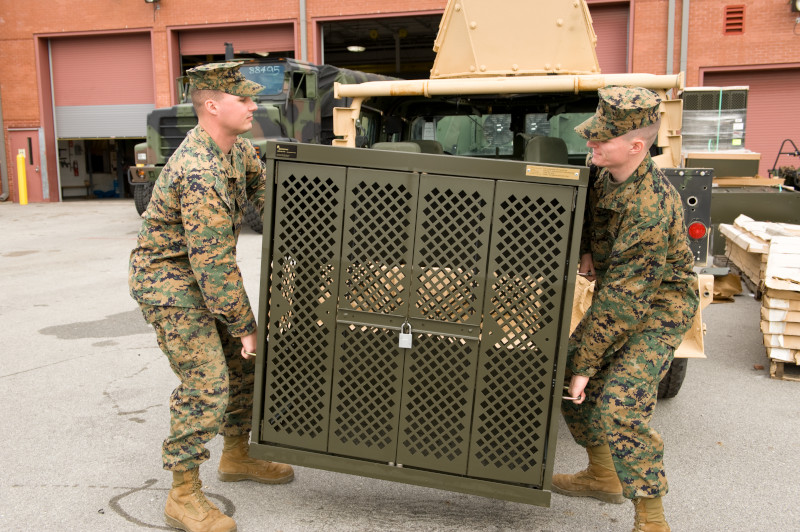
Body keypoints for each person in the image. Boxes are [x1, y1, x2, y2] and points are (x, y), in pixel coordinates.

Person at [128, 62, 294, 532]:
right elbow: (213, 265)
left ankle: (237, 456)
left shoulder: (237, 150)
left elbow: (270, 197)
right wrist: (245, 325)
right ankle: (182, 495)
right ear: (213, 106)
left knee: (245, 368)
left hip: (202, 277)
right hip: (170, 284)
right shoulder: (198, 169)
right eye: (244, 99)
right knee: (207, 384)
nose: (253, 105)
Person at [552, 86, 699, 532]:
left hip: (661, 304)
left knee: (620, 405)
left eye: (601, 138)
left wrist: (588, 365)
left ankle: (652, 519)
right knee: (567, 375)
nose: (590, 143)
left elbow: (624, 303)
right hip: (623, 291)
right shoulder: (603, 170)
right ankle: (603, 476)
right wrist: (587, 250)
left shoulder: (651, 207)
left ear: (636, 146)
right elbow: (585, 214)